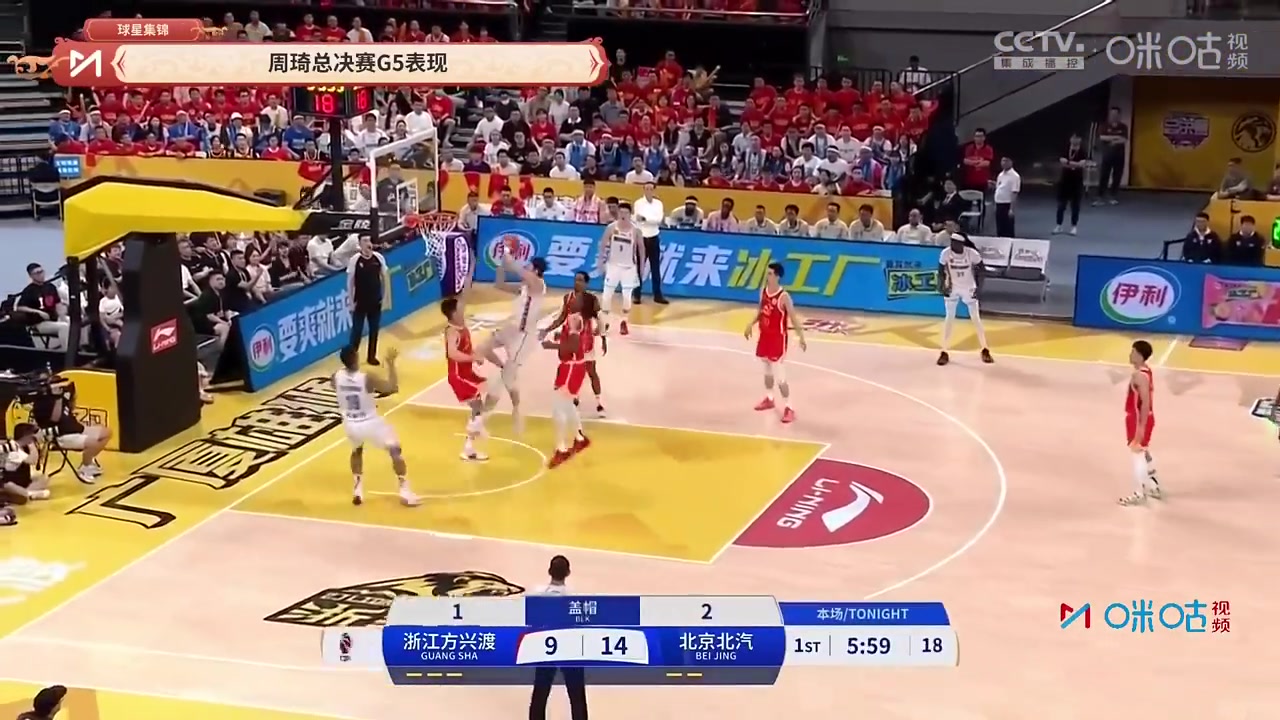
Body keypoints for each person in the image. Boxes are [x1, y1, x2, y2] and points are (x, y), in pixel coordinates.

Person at [333, 345, 420, 507]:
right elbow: (391, 387)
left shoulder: (336, 376)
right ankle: (405, 491)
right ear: (356, 357)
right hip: (370, 422)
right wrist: (391, 364)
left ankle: (358, 489)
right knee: (395, 450)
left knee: (357, 450)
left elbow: (337, 388)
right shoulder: (366, 378)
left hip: (350, 423)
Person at [442, 296, 505, 462]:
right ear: (453, 313)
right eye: (459, 308)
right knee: (478, 407)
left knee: (493, 394)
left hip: (468, 374)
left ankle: (472, 437)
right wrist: (473, 358)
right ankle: (475, 432)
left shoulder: (463, 328)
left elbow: (471, 350)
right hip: (459, 376)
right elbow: (452, 353)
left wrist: (499, 363)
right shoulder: (452, 331)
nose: (463, 309)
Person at [744, 262, 807, 424]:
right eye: (767, 273)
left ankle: (789, 407)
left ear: (778, 276)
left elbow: (793, 318)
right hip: (764, 336)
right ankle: (769, 398)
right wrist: (751, 324)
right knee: (767, 371)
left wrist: (801, 337)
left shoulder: (784, 297)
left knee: (780, 377)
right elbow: (761, 311)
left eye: (771, 274)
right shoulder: (763, 291)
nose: (768, 276)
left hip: (777, 339)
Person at [494, 248, 549, 435]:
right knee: (489, 352)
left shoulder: (538, 284)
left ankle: (517, 410)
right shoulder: (524, 288)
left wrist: (508, 254)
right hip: (513, 333)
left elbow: (517, 268)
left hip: (524, 337)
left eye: (529, 266)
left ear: (536, 270)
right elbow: (499, 285)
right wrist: (500, 265)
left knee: (507, 375)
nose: (526, 267)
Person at [529, 555, 587, 720]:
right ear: (568, 572)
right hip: (571, 650)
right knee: (577, 696)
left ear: (549, 571)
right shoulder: (576, 598)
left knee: (540, 694)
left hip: (546, 648)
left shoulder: (537, 595)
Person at [543, 272, 607, 416]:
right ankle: (573, 397)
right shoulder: (567, 298)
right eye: (576, 280)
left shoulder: (591, 300)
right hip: (570, 339)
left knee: (591, 371)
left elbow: (600, 318)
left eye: (580, 280)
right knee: (569, 367)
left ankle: (599, 403)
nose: (577, 282)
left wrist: (603, 338)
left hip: (586, 341)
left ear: (586, 283)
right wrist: (547, 329)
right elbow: (561, 318)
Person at [542, 293, 592, 467]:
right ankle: (580, 438)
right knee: (568, 404)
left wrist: (552, 345)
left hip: (571, 367)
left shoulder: (576, 320)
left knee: (558, 409)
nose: (573, 299)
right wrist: (561, 337)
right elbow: (571, 340)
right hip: (573, 366)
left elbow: (574, 346)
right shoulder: (574, 317)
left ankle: (561, 450)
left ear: (582, 305)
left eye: (577, 299)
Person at [936, 232, 994, 366]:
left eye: (954, 242)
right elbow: (940, 271)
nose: (951, 244)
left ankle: (985, 349)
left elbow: (982, 271)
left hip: (969, 288)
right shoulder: (945, 253)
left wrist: (979, 288)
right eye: (951, 241)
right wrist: (941, 286)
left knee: (975, 318)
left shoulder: (971, 253)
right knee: (949, 318)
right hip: (952, 288)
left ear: (961, 244)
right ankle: (944, 351)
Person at [1119, 339, 1162, 506]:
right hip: (1143, 418)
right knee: (1143, 451)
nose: (1130, 355)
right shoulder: (1146, 371)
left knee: (1137, 455)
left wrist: (1141, 428)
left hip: (1138, 419)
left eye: (1133, 352)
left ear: (1139, 355)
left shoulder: (1139, 376)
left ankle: (1139, 493)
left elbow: (1144, 402)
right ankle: (1154, 485)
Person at [597, 201, 645, 337]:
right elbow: (603, 244)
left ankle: (624, 321)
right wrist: (600, 262)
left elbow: (641, 249)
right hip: (613, 266)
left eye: (626, 213)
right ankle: (604, 323)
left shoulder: (635, 230)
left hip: (629, 268)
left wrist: (641, 267)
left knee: (627, 297)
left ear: (630, 214)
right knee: (606, 295)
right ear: (618, 213)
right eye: (621, 212)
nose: (623, 215)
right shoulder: (611, 227)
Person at [347, 237, 390, 366]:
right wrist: (350, 301)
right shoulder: (355, 260)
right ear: (360, 244)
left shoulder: (378, 258)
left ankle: (371, 356)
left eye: (369, 241)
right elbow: (350, 282)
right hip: (360, 302)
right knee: (357, 332)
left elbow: (385, 277)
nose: (368, 243)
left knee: (374, 330)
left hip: (375, 301)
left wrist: (386, 297)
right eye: (364, 241)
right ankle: (351, 359)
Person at [631, 182, 668, 305]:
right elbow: (638, 218)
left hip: (654, 236)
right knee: (639, 267)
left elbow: (658, 219)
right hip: (641, 237)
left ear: (654, 190)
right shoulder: (638, 203)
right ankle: (637, 294)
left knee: (655, 267)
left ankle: (657, 294)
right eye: (646, 189)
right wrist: (647, 219)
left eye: (651, 189)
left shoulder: (658, 204)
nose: (648, 191)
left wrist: (646, 219)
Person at [1, 423, 50, 503]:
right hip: (12, 482)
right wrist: (32, 444)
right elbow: (32, 460)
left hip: (24, 480)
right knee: (9, 486)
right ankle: (29, 494)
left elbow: (40, 460)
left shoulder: (24, 446)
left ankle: (27, 493)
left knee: (44, 478)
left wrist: (45, 445)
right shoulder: (13, 449)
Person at [1053, 133, 1087, 236]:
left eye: (1077, 138)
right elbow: (1062, 162)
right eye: (1073, 138)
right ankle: (1059, 225)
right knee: (1061, 205)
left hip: (1077, 182)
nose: (1074, 140)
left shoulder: (1083, 151)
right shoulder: (1065, 149)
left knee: (1075, 206)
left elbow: (1082, 164)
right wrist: (1074, 165)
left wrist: (1068, 163)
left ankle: (1074, 226)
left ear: (1080, 140)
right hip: (1064, 181)